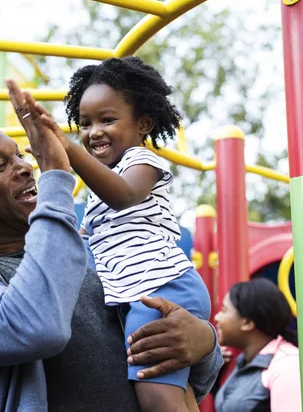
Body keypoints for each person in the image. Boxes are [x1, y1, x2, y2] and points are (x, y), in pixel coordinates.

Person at [0, 79, 223, 412]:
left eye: (20, 155)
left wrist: (203, 343)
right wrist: (57, 176)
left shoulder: (93, 252)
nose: (23, 167)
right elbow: (38, 326)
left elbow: (183, 377)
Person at [33, 56, 212, 411]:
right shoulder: (97, 192)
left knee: (154, 394)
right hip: (137, 292)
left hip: (160, 287)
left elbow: (123, 196)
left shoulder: (141, 163)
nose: (93, 131)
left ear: (143, 124)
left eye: (107, 119)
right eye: (84, 124)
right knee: (175, 391)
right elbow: (81, 240)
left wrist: (68, 150)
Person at [213, 278, 302, 412]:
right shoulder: (246, 360)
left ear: (248, 323)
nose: (217, 317)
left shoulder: (287, 364)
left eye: (224, 310)